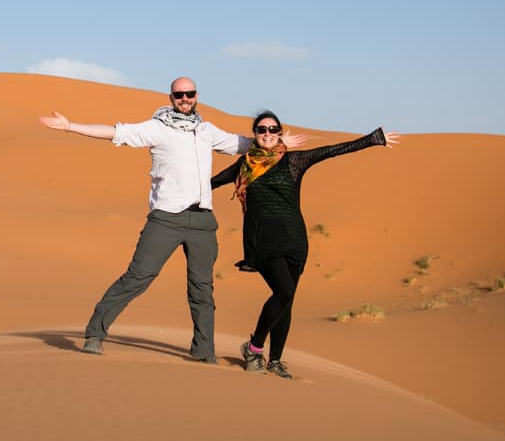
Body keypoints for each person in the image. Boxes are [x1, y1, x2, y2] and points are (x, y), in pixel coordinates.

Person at [39, 78, 306, 363]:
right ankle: (95, 333)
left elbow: (246, 144)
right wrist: (70, 126)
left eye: (189, 94)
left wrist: (277, 142)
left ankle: (204, 352)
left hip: (203, 220)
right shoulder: (157, 128)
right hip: (166, 218)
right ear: (171, 97)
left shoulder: (206, 131)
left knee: (202, 288)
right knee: (138, 277)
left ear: (196, 96)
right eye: (180, 94)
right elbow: (116, 132)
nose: (185, 98)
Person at [211, 111, 400, 378]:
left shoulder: (294, 161)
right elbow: (211, 183)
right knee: (284, 291)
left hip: (295, 241)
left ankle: (275, 361)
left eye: (272, 130)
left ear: (279, 132)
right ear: (255, 134)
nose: (267, 134)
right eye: (261, 130)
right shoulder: (244, 166)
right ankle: (253, 348)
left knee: (287, 300)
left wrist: (372, 139)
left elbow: (331, 151)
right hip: (262, 242)